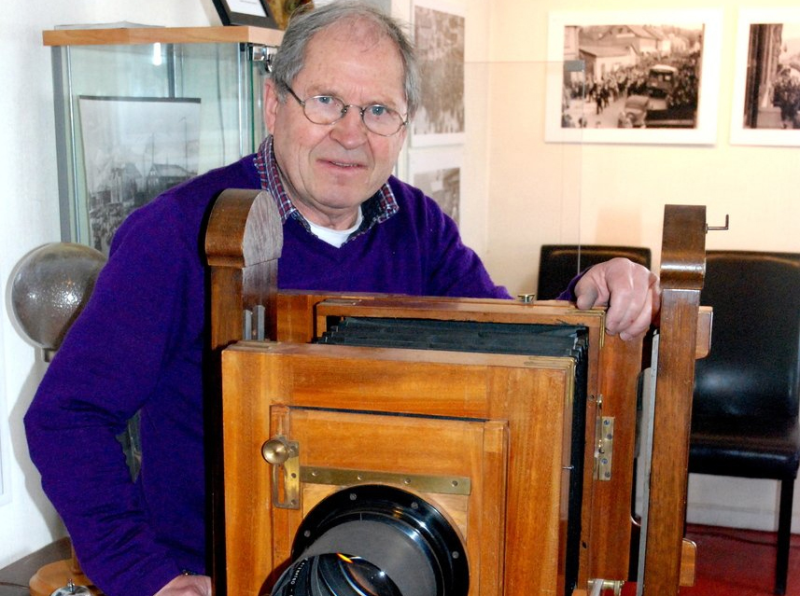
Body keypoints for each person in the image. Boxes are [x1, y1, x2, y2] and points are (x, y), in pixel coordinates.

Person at [24, 3, 660, 596]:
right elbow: (67, 417)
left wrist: (588, 294)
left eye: (379, 110)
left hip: (397, 567)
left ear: (404, 125)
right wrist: (148, 577)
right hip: (228, 573)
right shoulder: (180, 232)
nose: (351, 134)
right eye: (326, 101)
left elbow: (500, 357)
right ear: (274, 104)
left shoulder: (420, 227)